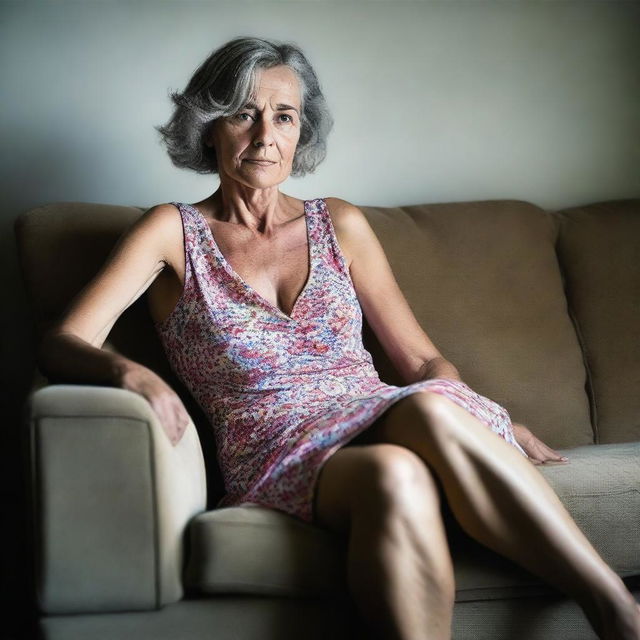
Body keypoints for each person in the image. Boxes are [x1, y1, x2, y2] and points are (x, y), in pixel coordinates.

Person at [38, 36, 640, 640]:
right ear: (210, 125)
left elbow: (423, 359)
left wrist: (478, 420)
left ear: (303, 132)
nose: (265, 136)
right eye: (244, 113)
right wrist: (129, 373)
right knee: (394, 474)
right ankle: (619, 612)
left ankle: (612, 609)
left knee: (427, 418)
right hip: (271, 447)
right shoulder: (172, 231)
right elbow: (64, 339)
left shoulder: (339, 223)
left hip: (381, 411)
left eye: (284, 116)